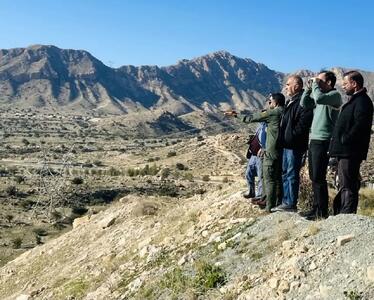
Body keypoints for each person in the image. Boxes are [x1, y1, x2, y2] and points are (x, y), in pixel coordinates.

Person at [225, 93, 285, 212]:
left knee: (269, 179)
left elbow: (250, 118)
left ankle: (269, 207)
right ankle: (274, 201)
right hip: (281, 150)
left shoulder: (274, 113)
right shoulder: (285, 111)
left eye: (270, 101)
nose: (268, 103)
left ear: (275, 102)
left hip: (271, 151)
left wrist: (235, 115)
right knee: (277, 178)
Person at [299, 71, 342, 220]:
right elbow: (304, 103)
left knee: (319, 176)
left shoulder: (334, 96)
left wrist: (315, 85)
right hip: (315, 140)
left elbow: (319, 98)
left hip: (324, 140)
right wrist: (308, 89)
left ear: (329, 82)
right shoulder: (321, 97)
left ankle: (322, 211)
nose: (317, 82)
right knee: (313, 176)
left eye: (320, 80)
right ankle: (316, 208)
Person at [329, 71, 373, 214]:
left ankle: (346, 214)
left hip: (350, 151)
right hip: (345, 150)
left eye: (345, 83)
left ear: (354, 84)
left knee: (348, 184)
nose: (343, 86)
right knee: (344, 182)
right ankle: (342, 212)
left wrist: (345, 139)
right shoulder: (355, 100)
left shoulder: (363, 101)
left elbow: (360, 125)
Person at [275, 75, 313, 212]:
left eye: (287, 84)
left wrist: (291, 137)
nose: (285, 87)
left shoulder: (303, 102)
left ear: (297, 86)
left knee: (291, 174)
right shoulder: (290, 102)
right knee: (285, 173)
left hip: (294, 146)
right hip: (286, 145)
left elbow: (303, 124)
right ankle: (286, 201)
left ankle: (290, 203)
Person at [243, 122, 267, 200]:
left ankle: (260, 195)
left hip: (260, 155)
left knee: (260, 175)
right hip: (253, 154)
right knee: (248, 173)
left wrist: (264, 147)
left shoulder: (269, 126)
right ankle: (251, 191)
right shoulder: (260, 126)